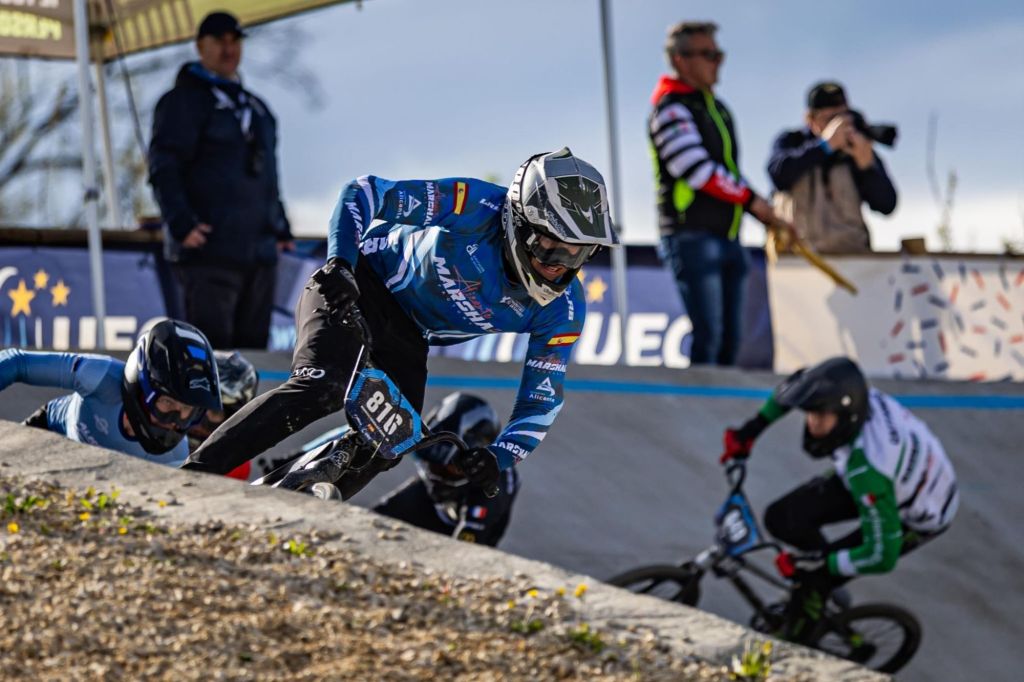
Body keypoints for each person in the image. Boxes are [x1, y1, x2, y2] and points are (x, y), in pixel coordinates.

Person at [184, 147, 619, 500]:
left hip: (408, 333)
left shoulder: (563, 309)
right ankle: (193, 477)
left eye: (578, 254)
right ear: (518, 224)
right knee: (322, 386)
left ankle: (297, 508)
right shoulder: (472, 204)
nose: (560, 268)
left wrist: (498, 457)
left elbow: (540, 402)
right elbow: (362, 192)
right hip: (358, 284)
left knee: (394, 439)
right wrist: (340, 264)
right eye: (551, 248)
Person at [720, 357, 959, 643]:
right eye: (810, 415)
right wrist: (750, 431)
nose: (812, 425)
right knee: (782, 518)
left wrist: (821, 564)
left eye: (821, 418)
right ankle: (825, 589)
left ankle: (797, 643)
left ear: (845, 417)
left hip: (915, 514)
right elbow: (793, 390)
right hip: (895, 479)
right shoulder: (851, 399)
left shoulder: (868, 470)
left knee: (813, 580)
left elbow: (882, 555)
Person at [650, 21, 794, 367]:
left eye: (719, 54)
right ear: (680, 59)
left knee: (730, 343)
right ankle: (698, 404)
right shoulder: (670, 108)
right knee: (709, 338)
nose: (717, 62)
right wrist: (754, 203)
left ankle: (720, 404)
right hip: (690, 236)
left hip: (728, 236)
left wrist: (762, 210)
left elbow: (728, 172)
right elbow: (696, 170)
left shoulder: (718, 108)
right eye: (709, 55)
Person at [148, 11, 294, 350]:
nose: (229, 50)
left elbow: (269, 174)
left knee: (253, 360)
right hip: (208, 254)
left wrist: (280, 227)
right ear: (200, 46)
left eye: (235, 41)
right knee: (211, 357)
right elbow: (163, 166)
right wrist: (182, 224)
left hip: (257, 255)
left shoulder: (257, 108)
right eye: (219, 41)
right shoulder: (182, 102)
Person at [0, 319, 221, 467]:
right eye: (167, 403)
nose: (175, 421)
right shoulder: (100, 376)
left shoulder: (174, 456)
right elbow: (17, 363)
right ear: (141, 388)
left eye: (187, 410)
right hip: (50, 432)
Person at [373, 392, 520, 546]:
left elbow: (465, 549)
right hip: (440, 509)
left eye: (449, 468)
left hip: (476, 526)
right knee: (378, 516)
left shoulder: (492, 487)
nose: (437, 477)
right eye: (433, 464)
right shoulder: (432, 482)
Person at [767, 81, 898, 254]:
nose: (839, 126)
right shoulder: (792, 142)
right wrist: (825, 146)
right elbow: (778, 174)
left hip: (851, 257)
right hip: (798, 257)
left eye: (842, 117)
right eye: (829, 119)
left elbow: (887, 205)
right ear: (810, 119)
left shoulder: (855, 150)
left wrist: (867, 166)